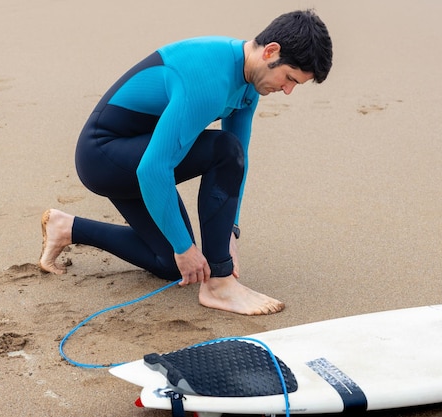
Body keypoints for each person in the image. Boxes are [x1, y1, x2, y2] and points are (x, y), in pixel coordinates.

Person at [38, 9, 333, 315]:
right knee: (221, 153)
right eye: (289, 79)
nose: (287, 90)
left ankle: (67, 227)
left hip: (141, 152)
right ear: (271, 52)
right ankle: (220, 285)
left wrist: (229, 231)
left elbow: (239, 159)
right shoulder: (210, 79)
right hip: (104, 155)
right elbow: (155, 169)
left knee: (170, 263)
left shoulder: (249, 84)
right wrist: (193, 251)